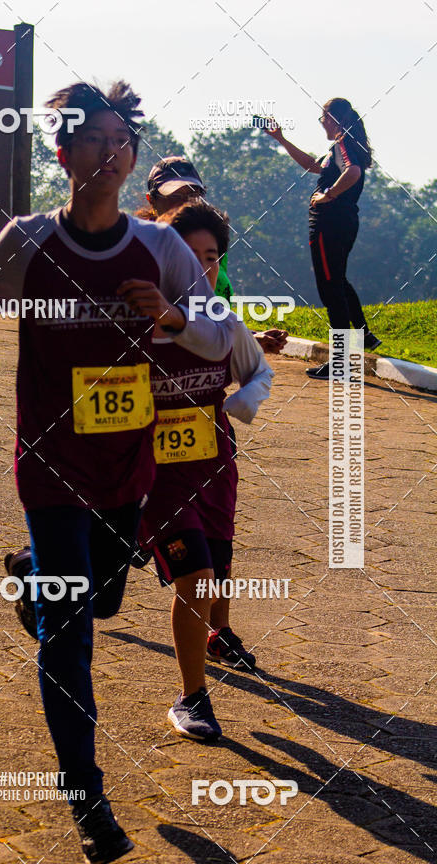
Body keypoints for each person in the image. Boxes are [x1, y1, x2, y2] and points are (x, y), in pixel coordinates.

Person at [0, 80, 236, 864]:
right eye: (92, 139)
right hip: (48, 466)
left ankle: (29, 575)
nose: (109, 153)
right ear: (62, 151)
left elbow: (220, 335)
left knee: (100, 599)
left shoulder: (162, 249)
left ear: (131, 154)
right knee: (70, 636)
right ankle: (89, 801)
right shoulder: (33, 239)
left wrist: (172, 316)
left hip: (128, 469)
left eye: (121, 140)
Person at [136, 199, 273, 742]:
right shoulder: (136, 325)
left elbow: (257, 374)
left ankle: (218, 634)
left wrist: (238, 403)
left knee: (215, 570)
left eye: (211, 258)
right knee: (193, 577)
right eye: (189, 258)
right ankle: (192, 697)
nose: (201, 269)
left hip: (214, 467)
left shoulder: (224, 322)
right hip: (155, 474)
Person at [264, 98, 379, 379]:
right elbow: (312, 165)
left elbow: (353, 172)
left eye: (323, 117)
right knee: (337, 281)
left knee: (331, 290)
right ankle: (364, 336)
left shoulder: (343, 144)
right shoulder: (340, 147)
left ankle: (340, 363)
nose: (321, 122)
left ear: (334, 119)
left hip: (330, 224)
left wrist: (329, 195)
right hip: (341, 223)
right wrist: (281, 139)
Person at [140, 156, 288, 354]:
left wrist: (248, 337)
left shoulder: (211, 243)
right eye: (175, 195)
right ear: (152, 201)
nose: (185, 203)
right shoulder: (141, 250)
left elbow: (210, 314)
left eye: (193, 194)